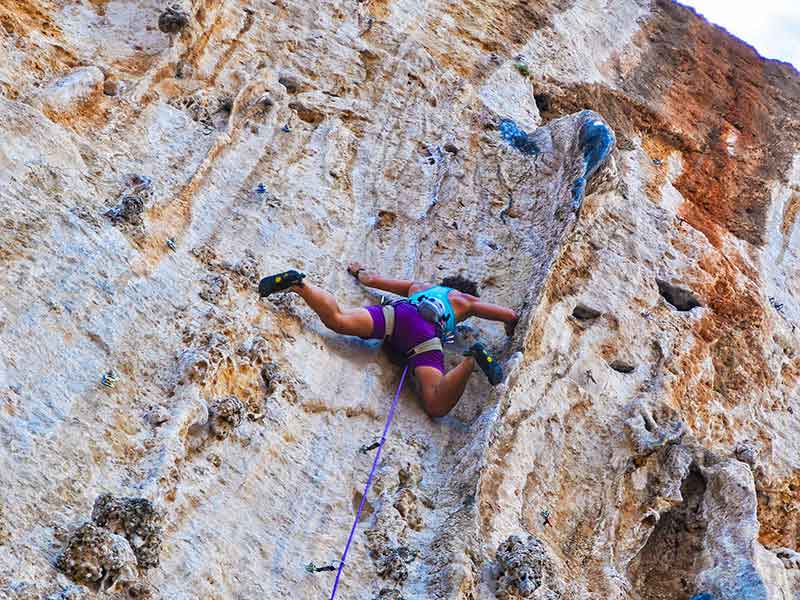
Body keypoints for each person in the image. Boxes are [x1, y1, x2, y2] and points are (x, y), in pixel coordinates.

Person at [258, 263, 518, 417]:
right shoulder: (467, 301)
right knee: (436, 404)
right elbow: (510, 315)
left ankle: (299, 286)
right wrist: (509, 328)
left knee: (338, 319)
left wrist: (357, 270)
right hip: (425, 336)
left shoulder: (420, 286)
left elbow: (371, 280)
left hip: (399, 314)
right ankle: (471, 360)